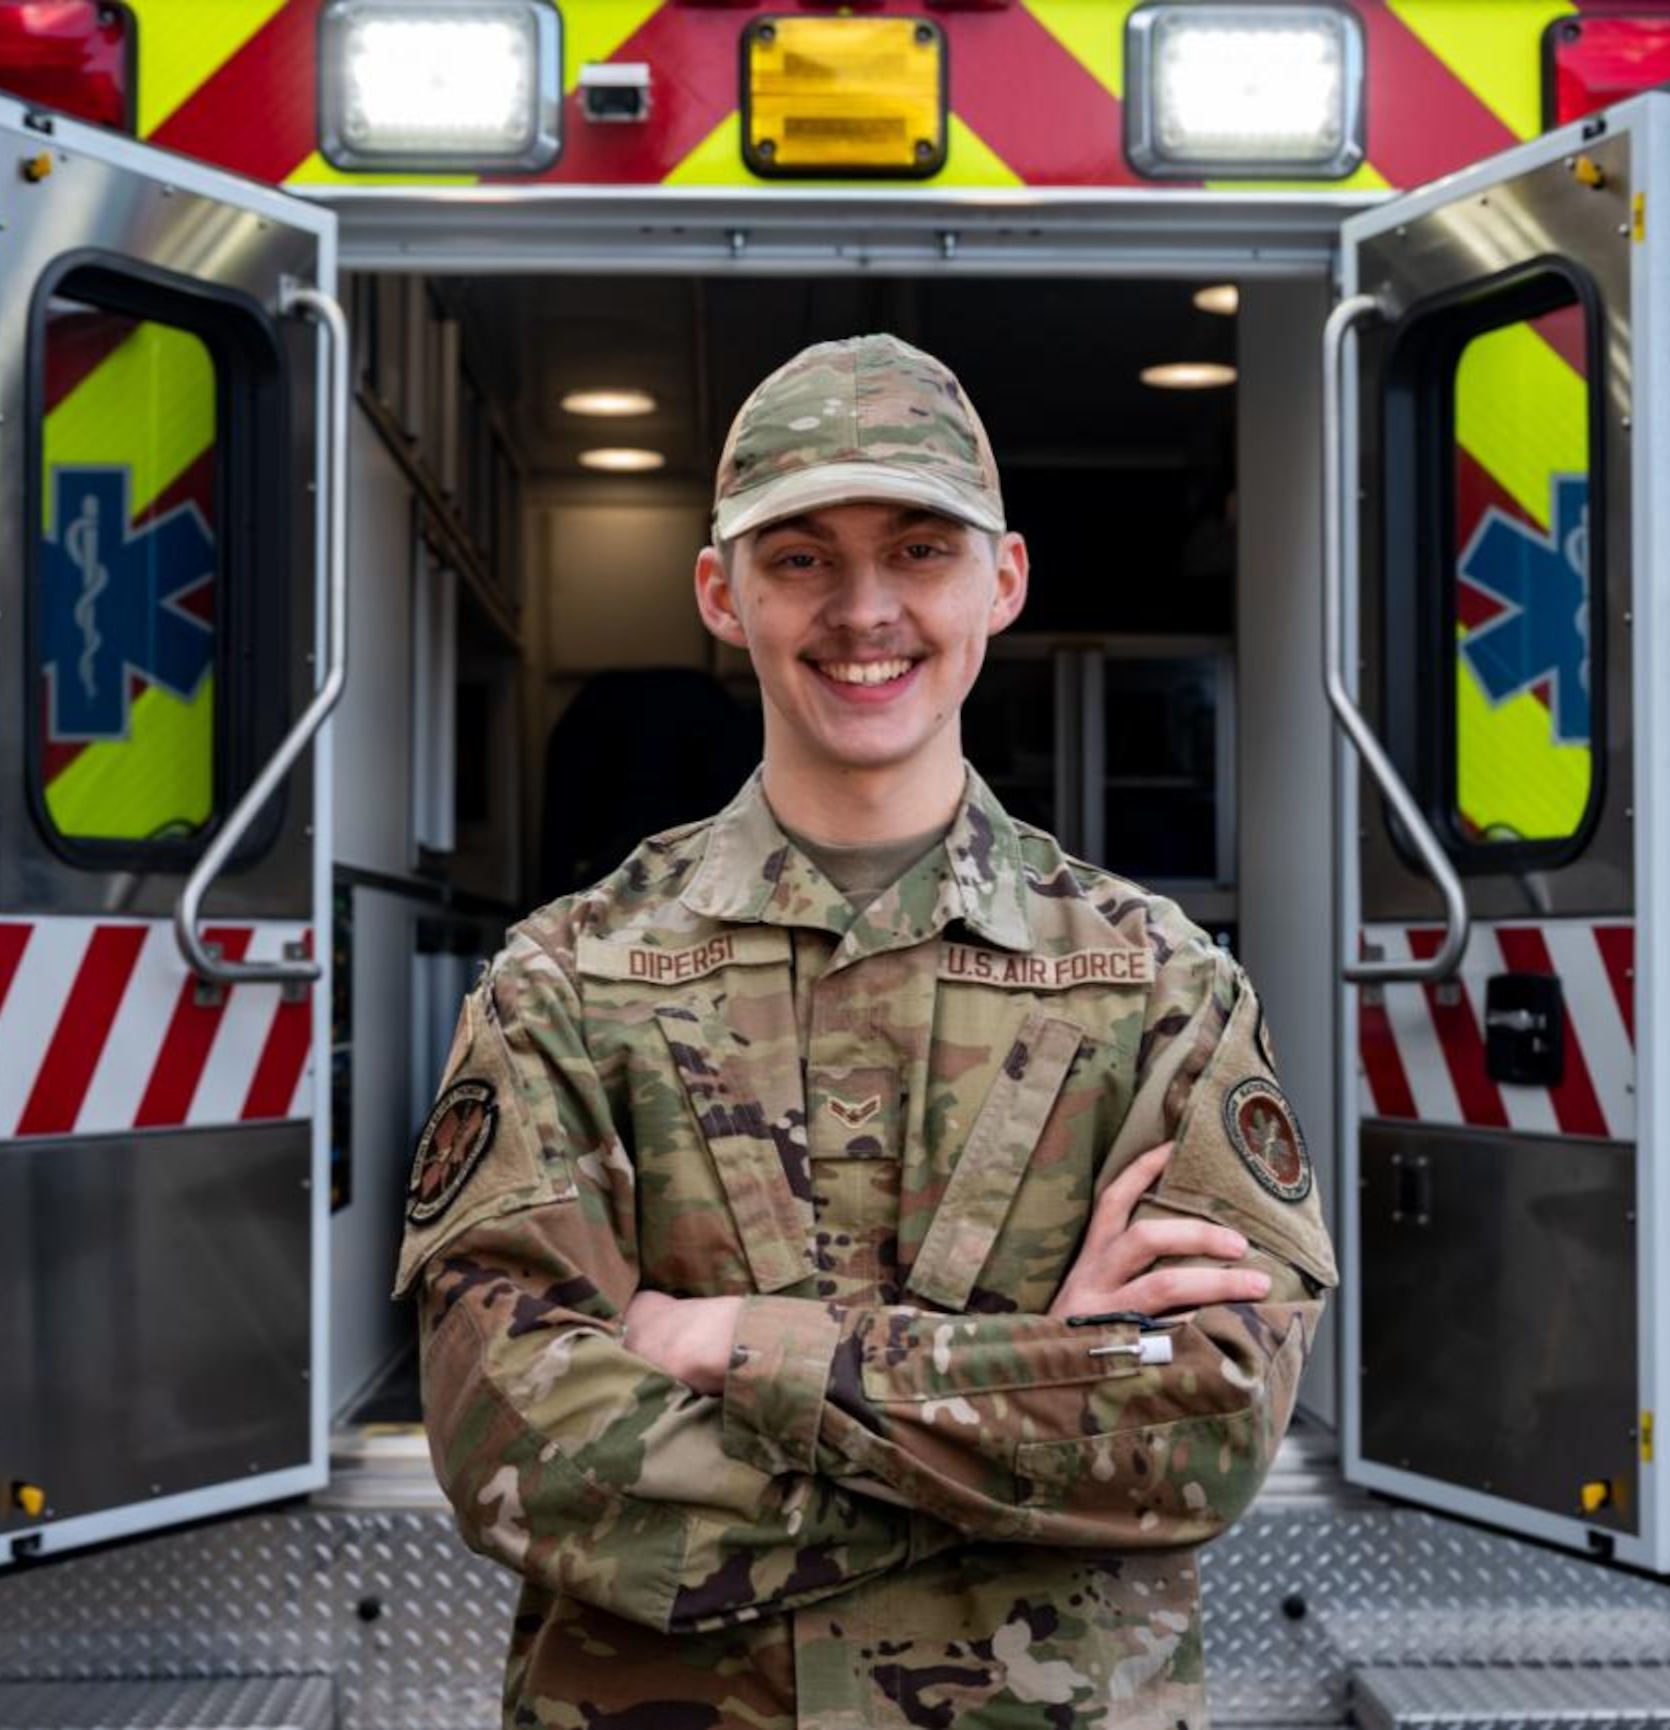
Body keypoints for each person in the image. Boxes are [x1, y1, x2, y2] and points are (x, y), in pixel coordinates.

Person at [395, 334, 1338, 1729]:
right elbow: (517, 1450)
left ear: (1001, 580)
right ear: (721, 591)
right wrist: (1036, 1400)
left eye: (918, 550)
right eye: (800, 558)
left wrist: (734, 1342)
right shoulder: (568, 980)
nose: (864, 608)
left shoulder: (1160, 986)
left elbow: (1199, 1428)